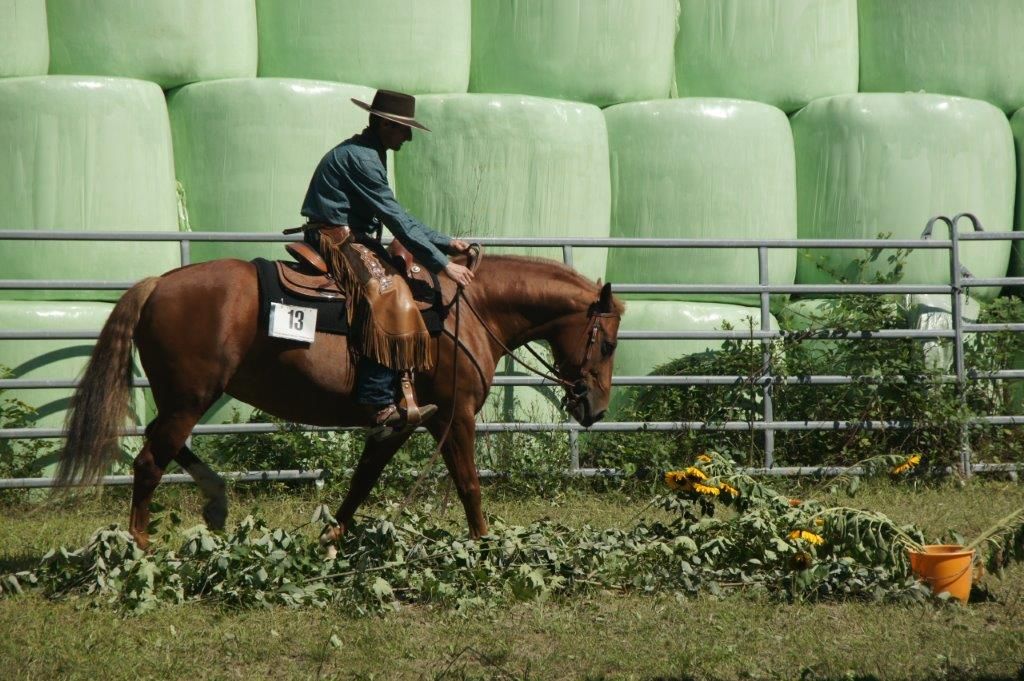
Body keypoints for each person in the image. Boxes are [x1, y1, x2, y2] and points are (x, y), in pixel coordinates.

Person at [298, 89, 474, 437]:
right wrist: (444, 264)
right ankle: (378, 401)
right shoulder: (363, 158)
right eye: (401, 128)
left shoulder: (370, 151)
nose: (407, 136)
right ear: (381, 124)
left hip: (352, 235)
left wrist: (444, 240)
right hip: (336, 237)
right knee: (388, 292)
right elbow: (394, 218)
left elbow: (398, 214)